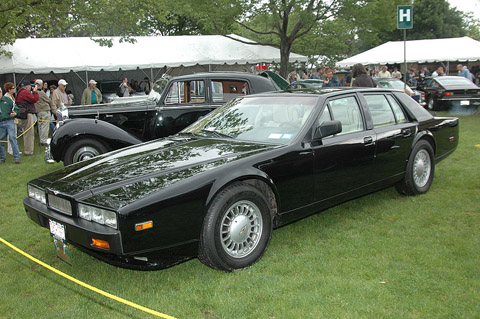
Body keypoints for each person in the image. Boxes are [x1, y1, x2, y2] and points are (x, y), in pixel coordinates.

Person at [16, 80, 39, 156]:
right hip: (27, 114)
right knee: (29, 133)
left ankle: (27, 150)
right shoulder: (24, 93)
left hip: (23, 114)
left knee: (26, 132)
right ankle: (28, 151)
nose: (31, 88)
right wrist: (35, 92)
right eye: (30, 86)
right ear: (27, 86)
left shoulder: (20, 92)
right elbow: (34, 99)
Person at [0, 84, 21, 163]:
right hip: (0, 123)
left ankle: (17, 157)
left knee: (12, 138)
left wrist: (15, 113)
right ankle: (2, 158)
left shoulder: (8, 100)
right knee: (0, 140)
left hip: (9, 121)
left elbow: (16, 109)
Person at [34, 79, 55, 146]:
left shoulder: (34, 92)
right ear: (41, 85)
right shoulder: (41, 92)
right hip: (44, 110)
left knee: (40, 126)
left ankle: (41, 139)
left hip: (38, 111)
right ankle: (44, 140)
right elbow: (49, 100)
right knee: (45, 126)